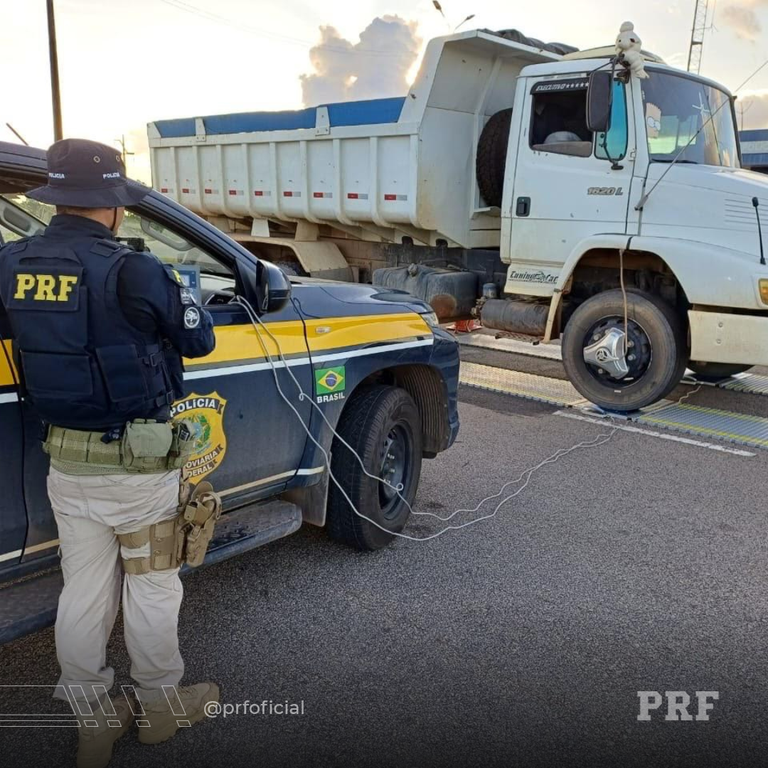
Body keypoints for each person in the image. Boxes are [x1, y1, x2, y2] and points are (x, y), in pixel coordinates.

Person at [0, 139, 219, 768]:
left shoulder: (11, 262)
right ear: (114, 206)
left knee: (83, 591)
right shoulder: (135, 270)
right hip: (139, 469)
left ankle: (92, 721)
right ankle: (159, 709)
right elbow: (198, 340)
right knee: (152, 586)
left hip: (66, 463)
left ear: (56, 199)